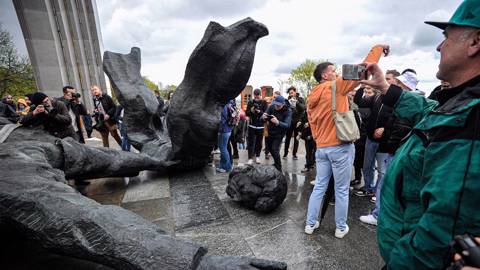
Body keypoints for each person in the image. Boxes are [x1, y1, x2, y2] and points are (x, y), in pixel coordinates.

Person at [361, 1, 480, 268]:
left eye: (446, 37)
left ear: (476, 41)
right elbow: (430, 110)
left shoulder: (472, 122)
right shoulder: (461, 101)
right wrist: (385, 87)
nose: (439, 47)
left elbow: (442, 238)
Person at [304, 44, 389, 239]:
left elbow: (312, 122)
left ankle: (310, 224)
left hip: (322, 148)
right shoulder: (336, 86)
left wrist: (319, 140)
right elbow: (363, 68)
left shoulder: (311, 96)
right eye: (333, 71)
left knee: (319, 187)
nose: (336, 73)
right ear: (325, 75)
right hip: (340, 146)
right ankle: (340, 227)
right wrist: (377, 48)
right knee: (341, 189)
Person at [353, 81, 394, 198]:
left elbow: (398, 119)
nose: (385, 80)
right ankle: (368, 188)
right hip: (370, 139)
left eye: (388, 78)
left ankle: (377, 192)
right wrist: (361, 84)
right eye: (385, 78)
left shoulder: (396, 100)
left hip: (384, 142)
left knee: (382, 171)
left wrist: (385, 129)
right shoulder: (377, 97)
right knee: (367, 166)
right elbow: (359, 101)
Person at [351, 85, 375, 186]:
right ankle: (357, 178)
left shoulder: (374, 105)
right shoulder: (359, 105)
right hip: (358, 136)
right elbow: (356, 101)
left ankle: (368, 184)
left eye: (369, 92)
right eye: (365, 92)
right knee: (356, 159)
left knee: (368, 163)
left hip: (368, 136)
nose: (367, 95)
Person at [262, 95, 292, 171]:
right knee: (269, 148)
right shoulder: (272, 107)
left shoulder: (288, 111)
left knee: (275, 149)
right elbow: (262, 117)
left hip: (279, 133)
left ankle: (279, 167)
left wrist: (278, 122)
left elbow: (287, 125)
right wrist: (263, 117)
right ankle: (276, 163)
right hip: (270, 131)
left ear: (283, 104)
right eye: (275, 104)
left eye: (278, 105)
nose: (276, 106)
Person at [246, 88, 267, 164]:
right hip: (252, 125)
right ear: (253, 95)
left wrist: (259, 111)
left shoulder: (264, 102)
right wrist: (251, 111)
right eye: (255, 96)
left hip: (260, 126)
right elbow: (247, 113)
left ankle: (257, 156)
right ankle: (250, 158)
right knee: (250, 142)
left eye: (257, 96)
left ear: (260, 95)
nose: (256, 98)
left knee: (259, 142)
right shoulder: (250, 102)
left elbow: (266, 114)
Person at [283, 86, 305, 160]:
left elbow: (304, 108)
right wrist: (288, 104)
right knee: (287, 138)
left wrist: (297, 103)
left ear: (295, 92)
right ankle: (285, 154)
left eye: (292, 93)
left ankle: (294, 154)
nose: (291, 95)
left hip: (297, 122)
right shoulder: (287, 100)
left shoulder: (300, 99)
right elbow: (284, 109)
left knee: (296, 139)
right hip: (289, 122)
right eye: (290, 93)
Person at [217, 100, 235, 173]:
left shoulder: (224, 106)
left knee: (223, 149)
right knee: (224, 148)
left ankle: (227, 167)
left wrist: (219, 131)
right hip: (229, 129)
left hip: (224, 130)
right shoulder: (230, 104)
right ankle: (222, 166)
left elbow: (222, 120)